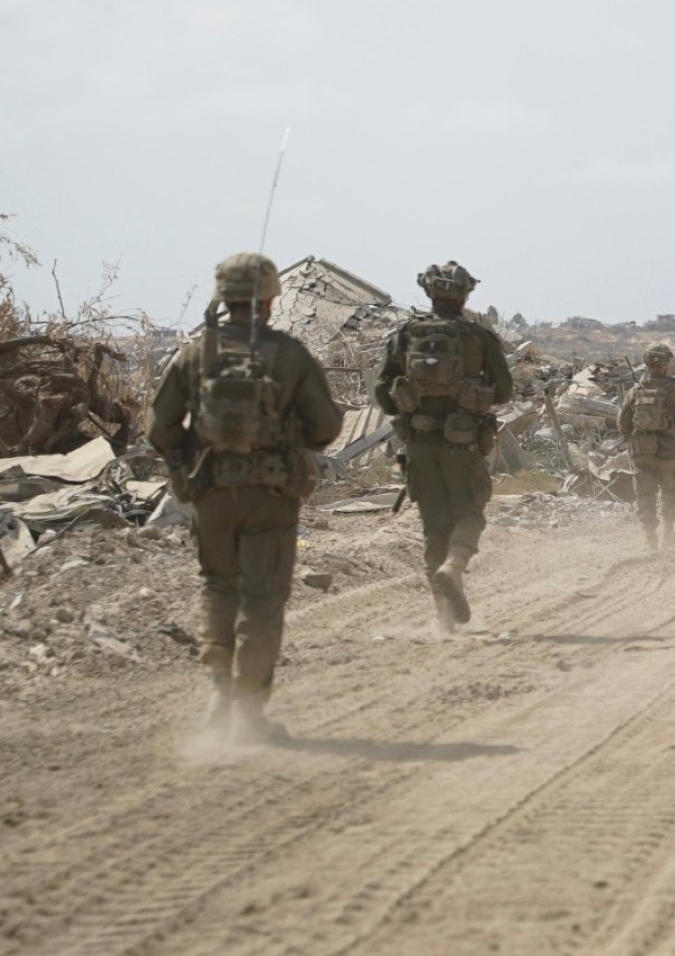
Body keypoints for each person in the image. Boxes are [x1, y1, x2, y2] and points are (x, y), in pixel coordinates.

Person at [149, 253, 342, 741]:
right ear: (270, 298)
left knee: (219, 585)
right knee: (262, 599)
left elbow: (160, 429)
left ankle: (219, 694)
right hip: (271, 495)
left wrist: (188, 462)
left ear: (222, 296)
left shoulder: (194, 353)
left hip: (210, 491)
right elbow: (326, 427)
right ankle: (249, 713)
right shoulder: (290, 355)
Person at [374, 262, 513, 632]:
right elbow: (505, 390)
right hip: (463, 444)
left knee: (434, 527)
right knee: (469, 514)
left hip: (419, 445)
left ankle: (443, 622)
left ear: (429, 292)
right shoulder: (477, 337)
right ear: (465, 294)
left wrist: (409, 409)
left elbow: (381, 391)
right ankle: (453, 567)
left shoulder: (405, 335)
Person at [618, 343, 675, 549]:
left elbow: (622, 423)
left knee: (645, 492)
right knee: (669, 488)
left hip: (641, 449)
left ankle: (650, 537)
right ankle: (669, 533)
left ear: (647, 363)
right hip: (667, 448)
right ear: (666, 364)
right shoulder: (673, 389)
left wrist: (633, 439)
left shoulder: (635, 390)